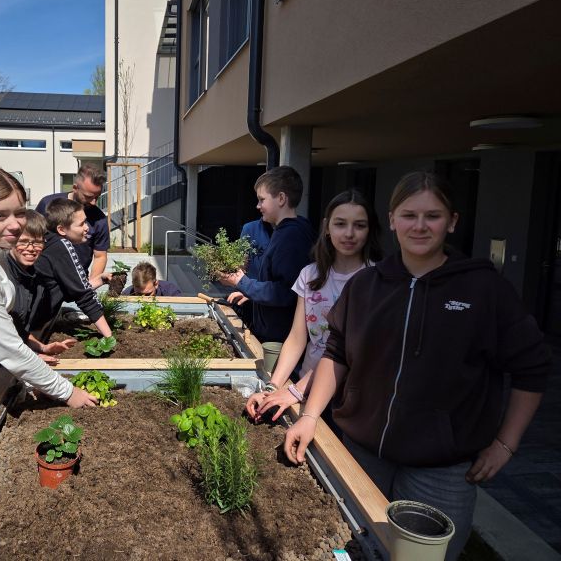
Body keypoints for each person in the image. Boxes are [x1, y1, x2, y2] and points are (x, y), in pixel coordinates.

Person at [283, 171, 551, 560]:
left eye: (433, 216)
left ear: (453, 221)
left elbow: (532, 368)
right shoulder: (367, 284)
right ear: (392, 220)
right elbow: (337, 354)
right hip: (361, 454)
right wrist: (309, 416)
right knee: (351, 548)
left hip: (441, 469)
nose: (420, 226)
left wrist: (505, 445)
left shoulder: (483, 289)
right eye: (409, 215)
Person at [0, 168, 97, 407]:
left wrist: (34, 361)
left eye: (19, 213)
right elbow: (9, 350)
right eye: (0, 216)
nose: (14, 224)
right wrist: (68, 392)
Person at [246, 189, 382, 424]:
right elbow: (298, 338)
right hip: (303, 388)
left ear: (370, 230)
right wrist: (272, 385)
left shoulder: (376, 279)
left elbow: (348, 353)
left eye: (359, 225)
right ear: (327, 227)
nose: (349, 233)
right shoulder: (310, 275)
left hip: (349, 397)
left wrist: (295, 391)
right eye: (340, 224)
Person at [219, 166, 315, 343]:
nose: (258, 206)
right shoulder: (292, 229)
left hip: (280, 337)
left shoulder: (291, 236)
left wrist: (244, 283)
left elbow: (286, 291)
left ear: (281, 198)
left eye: (261, 200)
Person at [32, 198, 114, 338]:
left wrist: (100, 280)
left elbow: (69, 289)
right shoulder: (63, 246)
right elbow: (83, 296)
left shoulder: (49, 242)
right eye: (81, 224)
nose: (87, 227)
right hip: (35, 328)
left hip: (28, 324)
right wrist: (109, 337)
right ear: (62, 229)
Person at [5, 211, 76, 364]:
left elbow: (18, 330)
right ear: (11, 241)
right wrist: (34, 358)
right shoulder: (3, 277)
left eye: (37, 242)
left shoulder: (35, 281)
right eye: (23, 241)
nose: (31, 248)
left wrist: (42, 347)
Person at [35, 164, 109, 280]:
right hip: (44, 277)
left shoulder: (99, 219)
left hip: (76, 281)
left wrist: (90, 285)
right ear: (75, 188)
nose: (94, 202)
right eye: (88, 196)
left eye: (97, 197)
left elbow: (100, 256)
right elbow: (32, 237)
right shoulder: (48, 205)